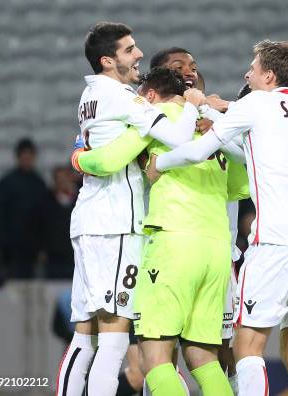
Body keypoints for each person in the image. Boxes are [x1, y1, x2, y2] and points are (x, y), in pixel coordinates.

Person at [146, 39, 288, 395]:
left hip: (275, 241)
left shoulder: (256, 103)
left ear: (268, 75)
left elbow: (199, 150)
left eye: (252, 68)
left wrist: (159, 162)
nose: (246, 73)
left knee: (247, 346)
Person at [58, 22, 199, 396]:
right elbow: (180, 136)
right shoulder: (122, 96)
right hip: (115, 223)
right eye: (129, 49)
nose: (138, 54)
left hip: (89, 221)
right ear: (108, 60)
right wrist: (187, 105)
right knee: (116, 336)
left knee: (85, 335)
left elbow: (88, 151)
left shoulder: (90, 96)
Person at [0, 138, 48, 280]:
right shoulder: (6, 183)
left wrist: (42, 245)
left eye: (29, 156)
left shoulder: (39, 184)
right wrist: (2, 241)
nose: (27, 159)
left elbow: (44, 217)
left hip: (33, 248)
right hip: (9, 248)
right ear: (18, 157)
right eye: (23, 156)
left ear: (34, 157)